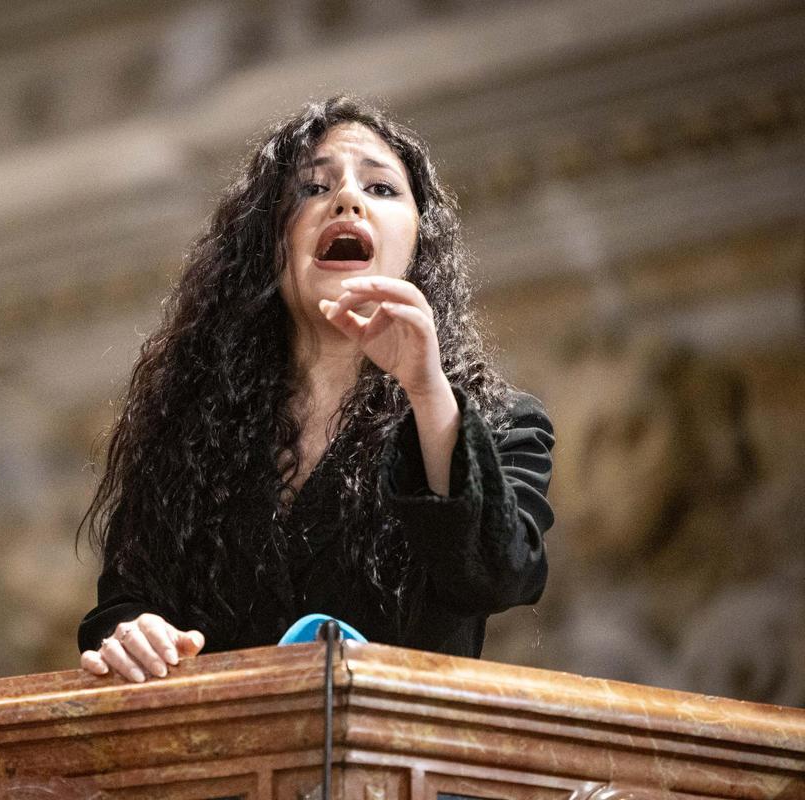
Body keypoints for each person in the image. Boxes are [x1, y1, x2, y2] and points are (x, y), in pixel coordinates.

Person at [77, 96, 555, 684]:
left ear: (417, 242)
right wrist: (132, 634)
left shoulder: (499, 420)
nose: (347, 199)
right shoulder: (187, 426)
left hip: (402, 764)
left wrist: (428, 391)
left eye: (381, 189)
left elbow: (497, 572)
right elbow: (122, 605)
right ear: (267, 244)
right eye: (311, 188)